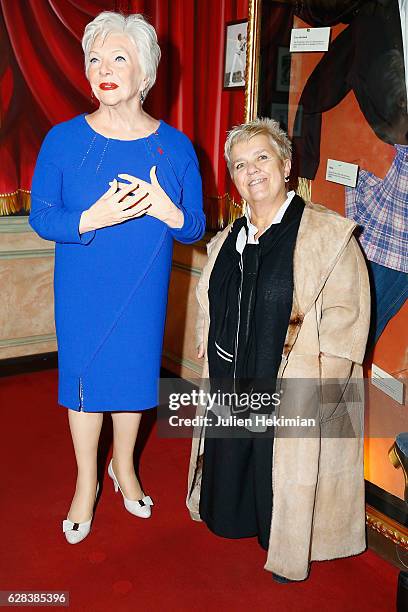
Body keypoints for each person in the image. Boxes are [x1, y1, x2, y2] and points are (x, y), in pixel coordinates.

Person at [29, 11, 205, 544]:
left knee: (132, 385)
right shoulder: (62, 141)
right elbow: (42, 216)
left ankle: (124, 469)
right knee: (83, 388)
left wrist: (165, 207)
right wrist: (90, 219)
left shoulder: (174, 147)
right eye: (95, 59)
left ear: (146, 72)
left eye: (118, 57)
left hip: (143, 289)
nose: (103, 68)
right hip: (83, 288)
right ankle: (86, 484)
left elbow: (194, 226)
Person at [186, 118, 370, 581]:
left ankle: (289, 542)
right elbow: (209, 305)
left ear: (286, 165)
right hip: (233, 381)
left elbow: (348, 321)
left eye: (262, 158)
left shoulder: (328, 236)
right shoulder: (227, 241)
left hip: (295, 380)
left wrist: (322, 393)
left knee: (286, 466)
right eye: (239, 165)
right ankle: (235, 513)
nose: (251, 172)